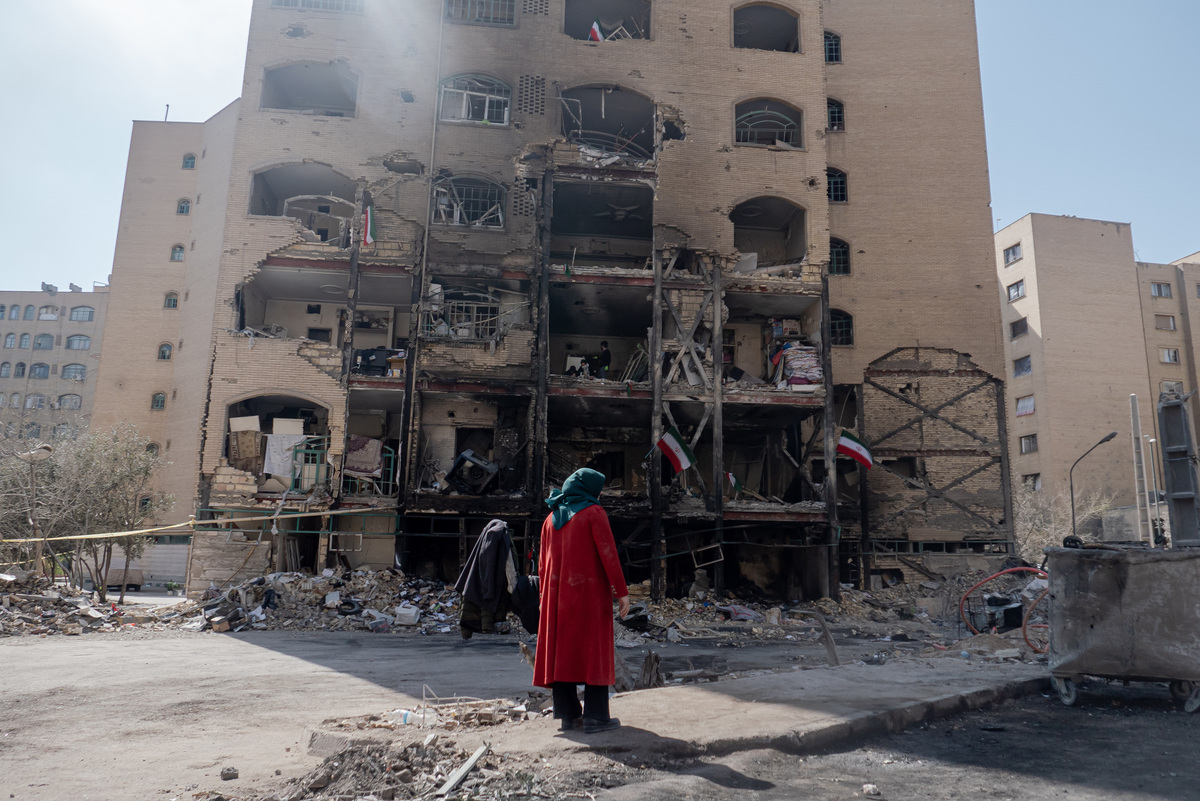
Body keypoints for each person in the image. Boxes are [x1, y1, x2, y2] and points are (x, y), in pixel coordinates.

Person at [533, 468, 630, 733]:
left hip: (556, 601)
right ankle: (596, 717)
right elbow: (608, 553)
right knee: (593, 652)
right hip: (588, 597)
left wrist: (543, 599)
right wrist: (621, 591)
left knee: (562, 653)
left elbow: (541, 566)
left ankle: (568, 715)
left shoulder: (550, 518)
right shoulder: (594, 514)